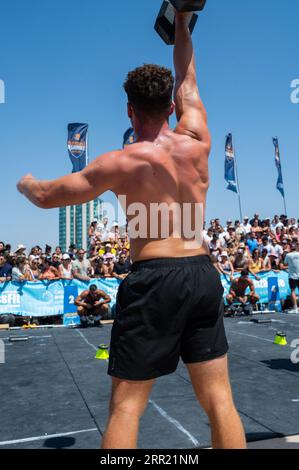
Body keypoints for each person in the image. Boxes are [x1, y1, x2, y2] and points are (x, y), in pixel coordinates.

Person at [17, 11, 246, 450]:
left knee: (126, 407)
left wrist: (25, 183)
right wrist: (181, 20)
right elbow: (189, 75)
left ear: (129, 110)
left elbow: (47, 196)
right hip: (201, 272)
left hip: (155, 278)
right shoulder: (196, 139)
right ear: (173, 106)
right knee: (220, 399)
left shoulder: (122, 161)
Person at [284, 243, 299, 313]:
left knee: (292, 291)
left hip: (292, 276)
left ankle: (295, 308)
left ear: (290, 248)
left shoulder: (288, 255)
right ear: (296, 248)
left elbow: (285, 263)